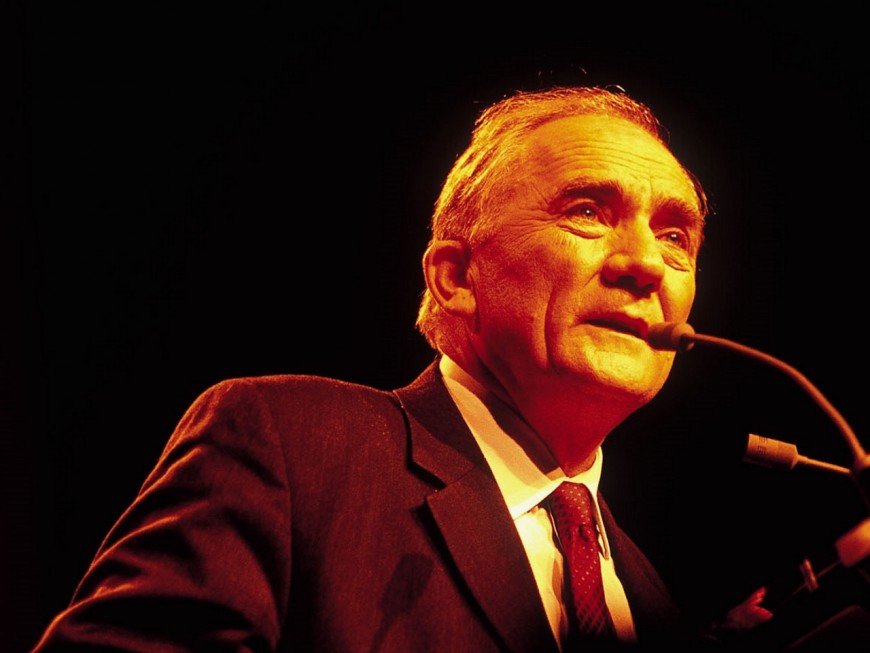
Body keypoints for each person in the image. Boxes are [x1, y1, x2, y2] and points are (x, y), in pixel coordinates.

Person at [31, 85, 771, 652]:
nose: (646, 263)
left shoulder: (647, 595)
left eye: (676, 236)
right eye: (587, 211)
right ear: (456, 277)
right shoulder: (291, 446)